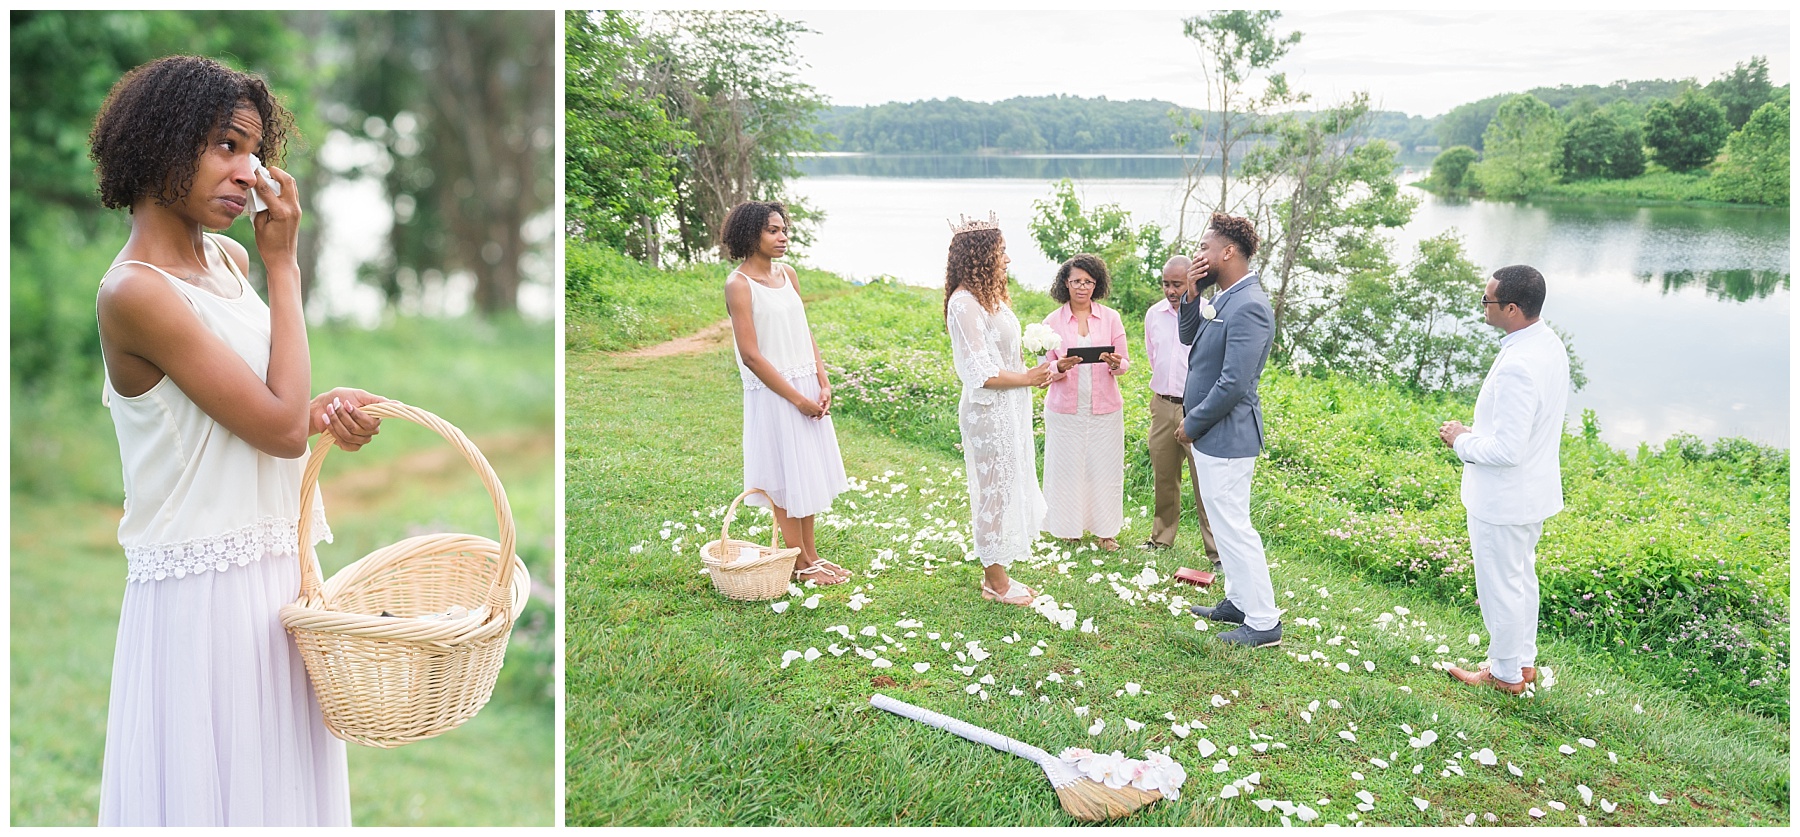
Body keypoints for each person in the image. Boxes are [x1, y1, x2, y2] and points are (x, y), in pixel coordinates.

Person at [91, 55, 386, 826]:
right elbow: (279, 429)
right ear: (161, 141)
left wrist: (319, 410)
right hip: (204, 593)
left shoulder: (225, 259)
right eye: (225, 145)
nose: (248, 171)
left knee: (281, 797)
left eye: (254, 151)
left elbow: (267, 412)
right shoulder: (135, 293)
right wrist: (286, 266)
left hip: (279, 571)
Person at [1439, 265, 1570, 695]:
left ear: (1512, 308)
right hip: (1531, 492)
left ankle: (1505, 675)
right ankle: (1522, 664)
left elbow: (1507, 451)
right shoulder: (1547, 344)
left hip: (1504, 498)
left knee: (1500, 587)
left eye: (1488, 300)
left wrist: (1462, 441)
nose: (1483, 305)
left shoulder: (1519, 364)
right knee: (1519, 579)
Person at [943, 213, 1074, 605]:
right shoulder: (964, 304)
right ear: (979, 256)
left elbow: (1008, 357)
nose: (1008, 260)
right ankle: (993, 580)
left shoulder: (992, 299)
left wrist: (1047, 369)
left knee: (1007, 485)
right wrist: (1029, 379)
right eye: (1001, 252)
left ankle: (999, 568)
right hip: (987, 412)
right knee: (992, 491)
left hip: (1009, 409)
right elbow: (980, 372)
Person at [722, 200, 852, 585]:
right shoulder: (738, 285)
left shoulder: (789, 275)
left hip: (806, 383)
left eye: (784, 230)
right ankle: (798, 563)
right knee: (783, 475)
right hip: (774, 391)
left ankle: (811, 555)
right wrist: (795, 398)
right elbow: (750, 355)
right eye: (772, 231)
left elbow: (804, 331)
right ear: (750, 235)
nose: (783, 237)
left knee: (806, 472)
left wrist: (822, 382)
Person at [1177, 213, 1281, 649]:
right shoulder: (1224, 297)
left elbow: (1235, 383)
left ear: (1228, 252)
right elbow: (1189, 338)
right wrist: (1191, 292)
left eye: (1204, 248)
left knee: (1235, 527)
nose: (1197, 255)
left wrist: (1191, 423)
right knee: (1223, 523)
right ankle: (1237, 601)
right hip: (1211, 436)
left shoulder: (1250, 305)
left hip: (1226, 434)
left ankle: (1263, 622)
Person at [1039, 254, 1130, 551]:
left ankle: (1106, 532)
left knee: (1105, 469)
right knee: (1066, 469)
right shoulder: (1051, 322)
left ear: (1097, 284)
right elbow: (1044, 369)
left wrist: (1116, 363)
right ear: (1065, 282)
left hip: (1105, 409)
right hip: (1064, 410)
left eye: (1088, 282)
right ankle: (1068, 528)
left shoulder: (1111, 318)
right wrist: (1059, 367)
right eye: (1076, 281)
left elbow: (1124, 364)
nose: (1082, 287)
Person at [1140, 256, 1220, 562]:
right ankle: (1161, 538)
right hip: (1162, 405)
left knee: (1204, 481)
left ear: (1192, 282)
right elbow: (1153, 355)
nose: (1172, 291)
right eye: (1166, 284)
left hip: (1196, 408)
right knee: (1164, 475)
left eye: (1178, 284)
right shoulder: (1153, 315)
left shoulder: (1209, 313)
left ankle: (1216, 551)